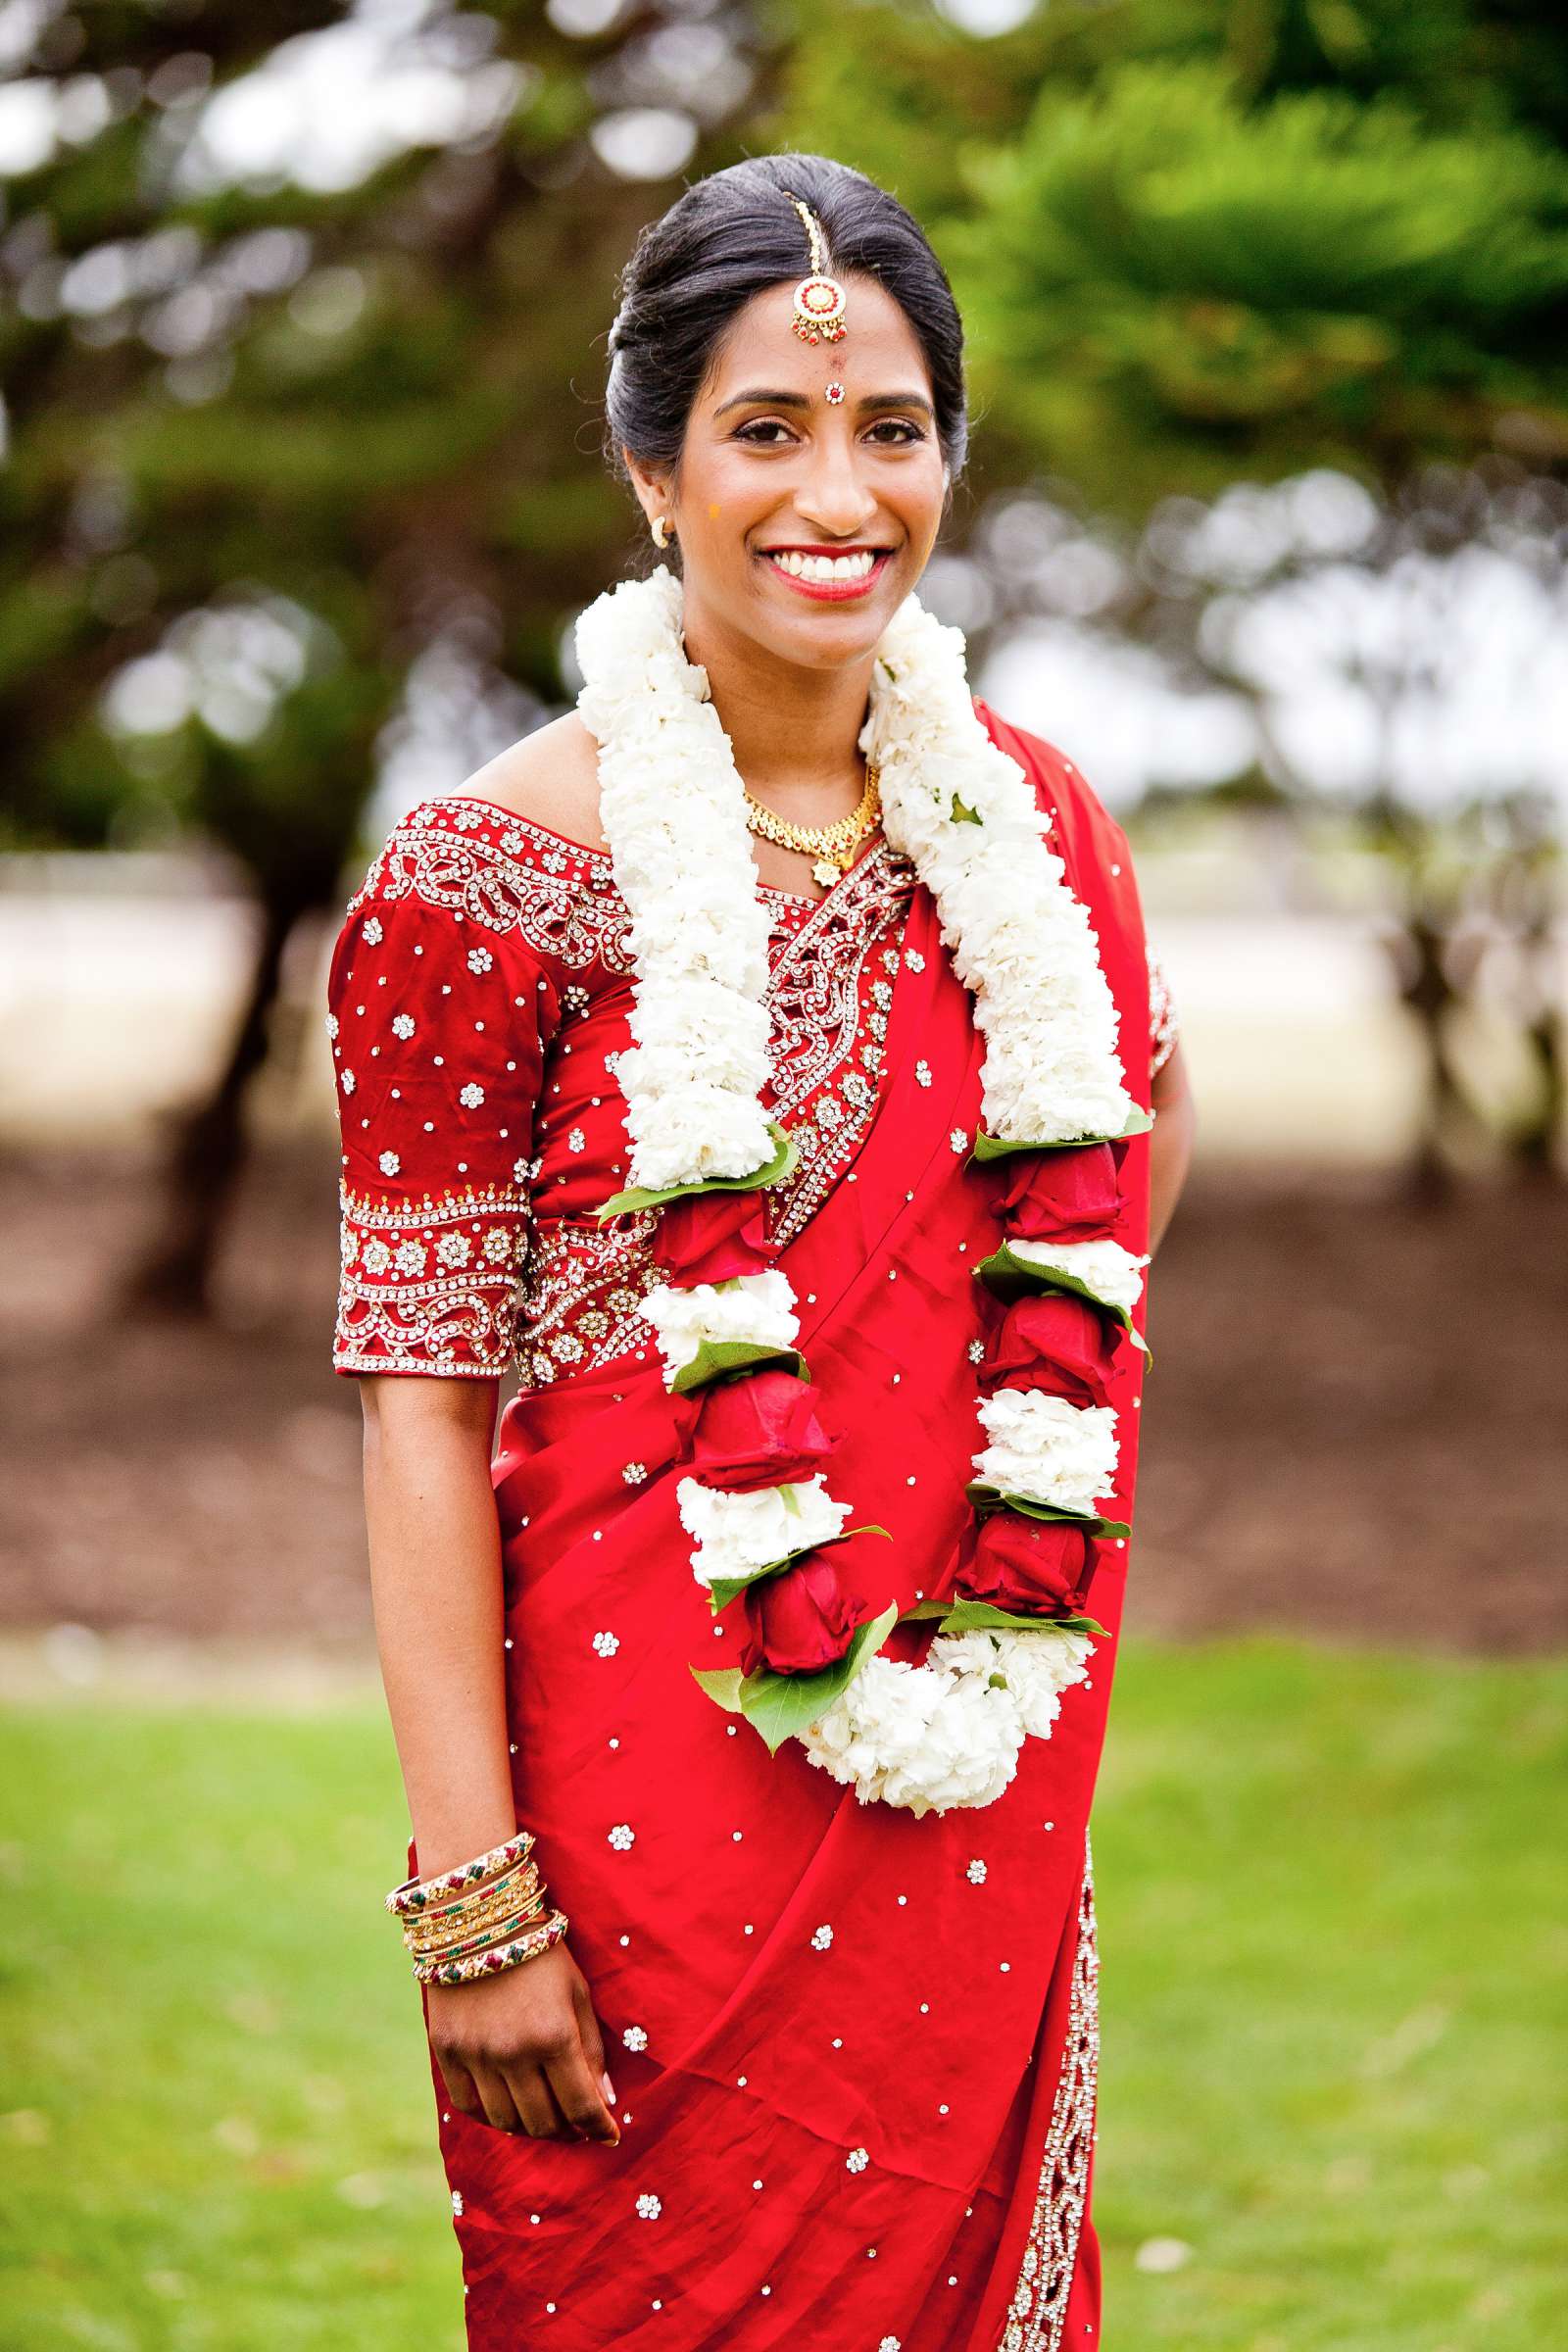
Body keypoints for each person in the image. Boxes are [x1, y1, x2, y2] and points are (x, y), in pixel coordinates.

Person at [327, 151, 1195, 2352]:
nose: (838, 492)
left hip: (971, 1780)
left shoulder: (1037, 830)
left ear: (947, 463)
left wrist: (980, 1414)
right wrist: (469, 1900)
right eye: (766, 426)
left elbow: (1123, 1159)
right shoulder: (484, 878)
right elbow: (419, 1416)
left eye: (889, 428)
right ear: (650, 469)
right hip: (635, 1800)